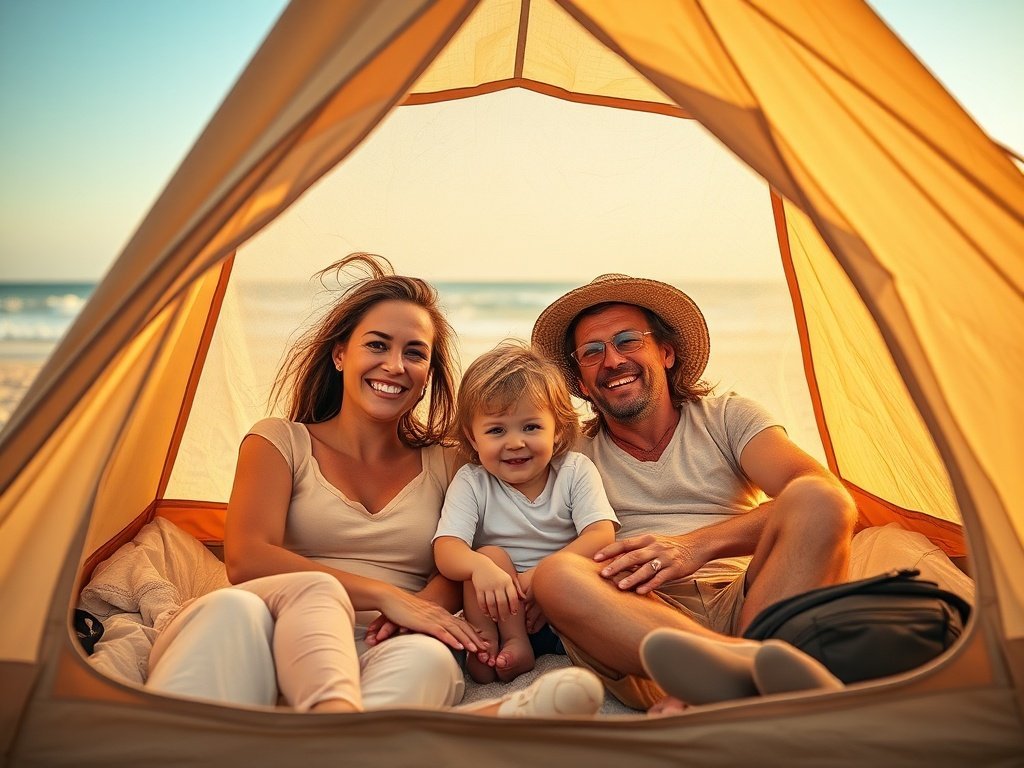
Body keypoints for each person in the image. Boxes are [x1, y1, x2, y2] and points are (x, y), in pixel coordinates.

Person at [145, 253, 603, 718]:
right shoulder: (279, 442)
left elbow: (458, 560)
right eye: (378, 345)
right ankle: (487, 719)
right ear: (341, 354)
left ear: (427, 377)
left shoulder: (449, 462)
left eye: (414, 353)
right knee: (254, 606)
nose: (395, 365)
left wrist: (421, 611)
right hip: (271, 618)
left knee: (429, 660)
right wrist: (391, 597)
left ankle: (343, 734)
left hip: (390, 640)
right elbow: (247, 558)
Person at [529, 272, 857, 712]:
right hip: (637, 618)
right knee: (557, 576)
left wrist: (694, 546)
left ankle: (716, 684)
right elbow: (490, 468)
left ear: (666, 353)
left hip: (750, 597)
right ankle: (747, 671)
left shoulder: (726, 417)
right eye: (592, 352)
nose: (612, 360)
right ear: (583, 383)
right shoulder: (568, 452)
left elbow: (816, 488)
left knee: (823, 499)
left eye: (628, 341)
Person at [432, 343, 619, 684]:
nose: (515, 442)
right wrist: (481, 567)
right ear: (473, 439)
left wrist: (539, 577)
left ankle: (519, 645)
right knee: (487, 556)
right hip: (497, 612)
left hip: (561, 611)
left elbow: (601, 534)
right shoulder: (473, 481)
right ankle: (487, 644)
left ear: (558, 429)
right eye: (496, 430)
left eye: (531, 427)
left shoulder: (574, 470)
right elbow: (447, 549)